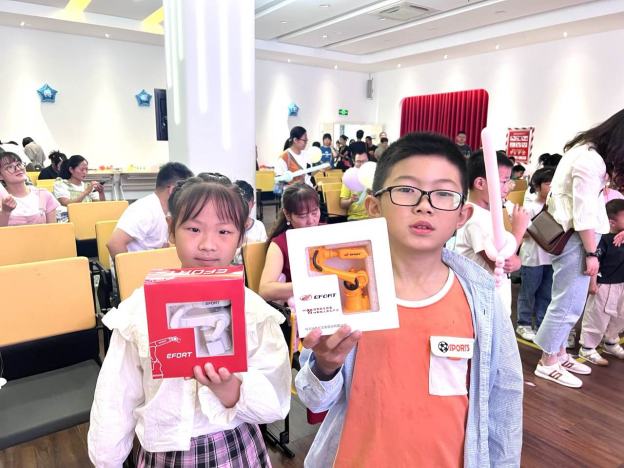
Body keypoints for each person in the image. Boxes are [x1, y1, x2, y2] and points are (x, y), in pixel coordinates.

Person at [296, 132, 523, 467]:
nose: (424, 205)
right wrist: (326, 366)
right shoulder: (344, 286)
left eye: (444, 193)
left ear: (462, 215)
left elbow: (504, 399)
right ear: (374, 206)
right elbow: (314, 399)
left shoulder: (481, 297)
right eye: (406, 189)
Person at [88, 173, 291, 467]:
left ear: (240, 237)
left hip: (233, 445)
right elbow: (116, 395)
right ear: (171, 230)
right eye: (194, 228)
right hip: (163, 451)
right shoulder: (139, 309)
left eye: (224, 231)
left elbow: (276, 403)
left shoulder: (254, 312)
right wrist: (106, 461)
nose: (208, 244)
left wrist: (230, 389)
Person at [533, 109, 624, 388]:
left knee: (567, 300)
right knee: (568, 303)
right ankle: (548, 361)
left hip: (574, 236)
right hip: (576, 238)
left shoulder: (584, 150)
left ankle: (559, 353)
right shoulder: (590, 160)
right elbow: (583, 212)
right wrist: (592, 253)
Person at [455, 150, 530, 315]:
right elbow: (503, 263)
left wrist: (516, 262)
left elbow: (513, 263)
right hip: (484, 305)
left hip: (493, 302)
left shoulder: (486, 215)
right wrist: (518, 229)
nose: (507, 188)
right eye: (503, 181)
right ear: (480, 183)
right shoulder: (476, 219)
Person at [107, 162, 194, 268]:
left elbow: (163, 247)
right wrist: (129, 273)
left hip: (151, 267)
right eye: (187, 191)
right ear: (172, 190)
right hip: (134, 271)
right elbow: (114, 243)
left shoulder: (168, 212)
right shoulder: (144, 209)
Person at [577, 199, 624, 365]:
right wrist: (592, 283)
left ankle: (610, 342)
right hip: (604, 284)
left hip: (622, 283)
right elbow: (594, 262)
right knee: (597, 316)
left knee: (620, 315)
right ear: (612, 222)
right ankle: (587, 347)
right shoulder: (602, 239)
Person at [258, 183, 321, 303]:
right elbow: (265, 290)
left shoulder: (328, 232)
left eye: (314, 212)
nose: (311, 221)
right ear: (287, 215)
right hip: (298, 305)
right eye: (302, 216)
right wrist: (314, 286)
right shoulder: (279, 244)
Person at [516, 168, 556, 342]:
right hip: (532, 258)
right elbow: (521, 232)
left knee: (546, 294)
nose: (552, 187)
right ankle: (523, 324)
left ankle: (541, 324)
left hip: (551, 258)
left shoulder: (556, 208)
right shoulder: (530, 207)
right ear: (536, 186)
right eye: (548, 184)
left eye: (554, 184)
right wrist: (540, 229)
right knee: (528, 292)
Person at [0, 152, 59, 226]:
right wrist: (5, 212)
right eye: (10, 167)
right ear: (0, 176)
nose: (18, 169)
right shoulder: (2, 198)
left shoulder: (44, 195)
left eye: (19, 164)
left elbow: (53, 230)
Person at [53, 155, 105, 222]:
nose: (85, 172)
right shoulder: (61, 184)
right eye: (82, 170)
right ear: (71, 169)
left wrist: (101, 193)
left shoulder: (87, 186)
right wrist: (86, 192)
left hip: (88, 219)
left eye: (86, 169)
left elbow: (101, 207)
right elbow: (67, 204)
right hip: (69, 222)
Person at [231, 179, 268, 265]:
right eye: (236, 206)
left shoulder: (258, 226)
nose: (240, 211)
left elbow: (264, 253)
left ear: (252, 204)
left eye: (244, 206)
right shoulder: (224, 228)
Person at [340, 152, 370, 221]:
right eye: (358, 161)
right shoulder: (348, 180)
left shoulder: (375, 178)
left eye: (364, 161)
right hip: (355, 218)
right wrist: (351, 200)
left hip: (374, 216)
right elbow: (343, 204)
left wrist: (373, 194)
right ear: (354, 162)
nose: (361, 164)